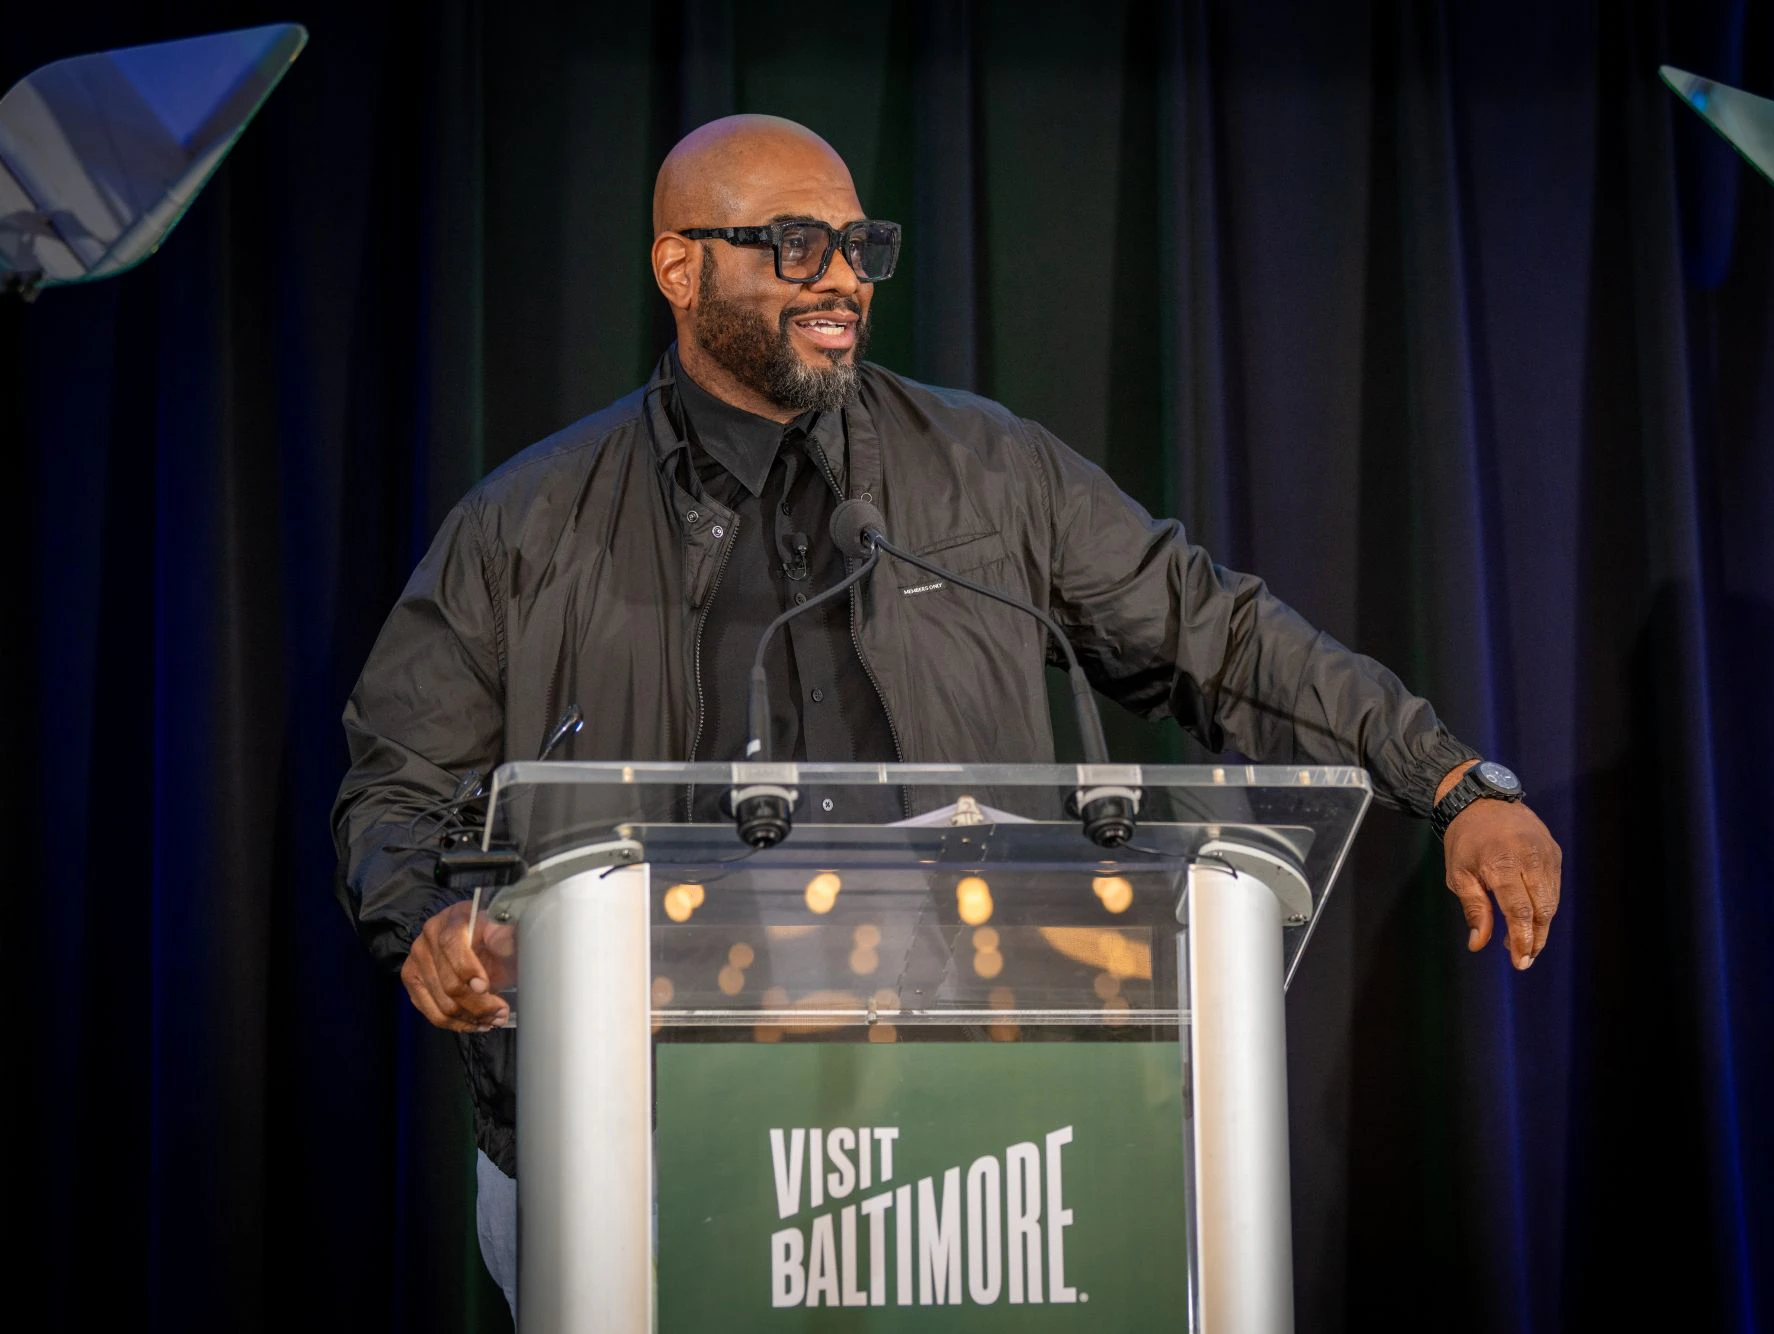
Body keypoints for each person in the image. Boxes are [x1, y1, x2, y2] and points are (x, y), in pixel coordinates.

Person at [333, 114, 1562, 1316]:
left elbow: (1219, 637)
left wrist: (1452, 780)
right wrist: (432, 923)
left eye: (859, 246)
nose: (840, 280)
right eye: (795, 245)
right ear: (678, 265)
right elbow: (396, 782)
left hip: (960, 1112)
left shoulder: (989, 471)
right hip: (629, 1123)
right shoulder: (526, 523)